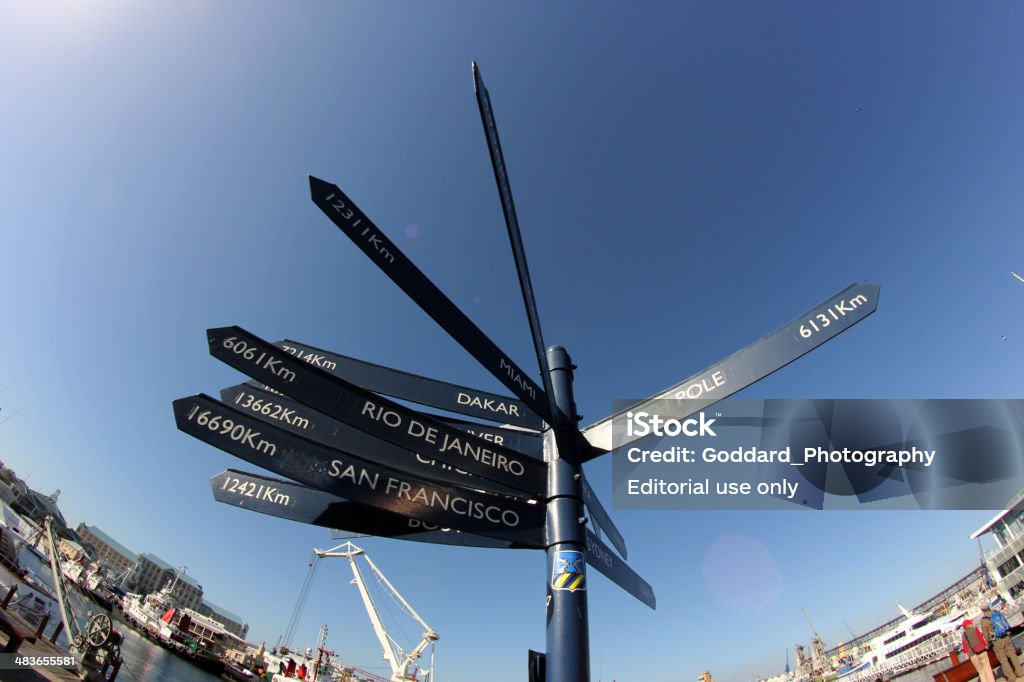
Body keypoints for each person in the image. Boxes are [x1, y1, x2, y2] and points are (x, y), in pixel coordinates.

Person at [980, 602, 1024, 682]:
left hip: (997, 641)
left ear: (982, 610)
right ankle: (1020, 672)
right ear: (988, 607)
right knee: (1012, 654)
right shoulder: (997, 612)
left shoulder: (983, 621)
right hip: (1005, 636)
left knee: (1003, 659)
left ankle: (1011, 677)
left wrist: (987, 643)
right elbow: (1004, 621)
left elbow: (985, 634)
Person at [962, 617, 996, 682]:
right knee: (987, 668)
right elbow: (981, 639)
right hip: (981, 651)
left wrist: (967, 654)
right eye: (971, 623)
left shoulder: (963, 635)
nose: (972, 623)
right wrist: (985, 646)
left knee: (981, 672)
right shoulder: (975, 629)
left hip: (972, 655)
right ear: (969, 624)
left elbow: (965, 647)